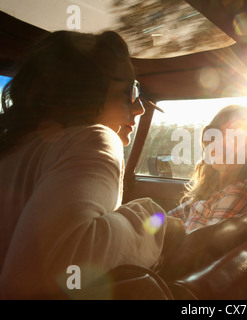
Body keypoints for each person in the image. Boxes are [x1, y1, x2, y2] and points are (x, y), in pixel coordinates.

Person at [0, 30, 167, 299]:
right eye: (129, 91)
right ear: (79, 95)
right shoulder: (94, 137)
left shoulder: (15, 152)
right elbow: (51, 270)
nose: (140, 108)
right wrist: (153, 218)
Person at [168, 105, 247, 232]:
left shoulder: (242, 192)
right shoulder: (215, 186)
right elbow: (167, 218)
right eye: (214, 134)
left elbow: (201, 248)